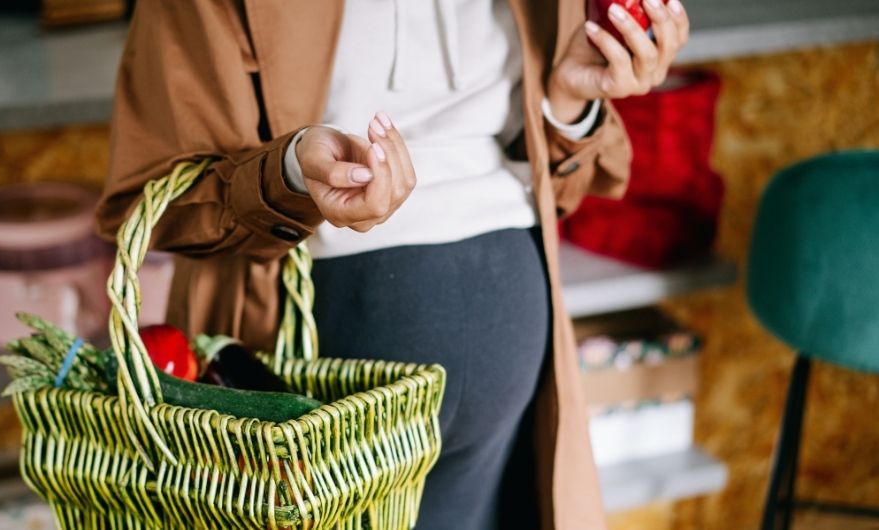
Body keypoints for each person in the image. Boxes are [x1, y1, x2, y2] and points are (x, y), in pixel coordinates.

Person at [96, 1, 690, 528]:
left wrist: (570, 101)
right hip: (304, 362)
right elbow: (157, 201)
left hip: (512, 350)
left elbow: (557, 184)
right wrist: (293, 174)